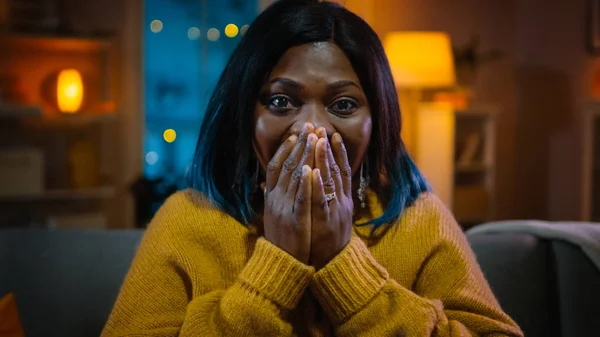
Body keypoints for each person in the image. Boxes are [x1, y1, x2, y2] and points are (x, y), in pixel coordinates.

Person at [102, 0, 523, 336]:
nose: (313, 130)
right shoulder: (187, 221)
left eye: (342, 105)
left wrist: (343, 264)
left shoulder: (417, 220)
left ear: (377, 122)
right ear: (246, 114)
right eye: (282, 101)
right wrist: (276, 265)